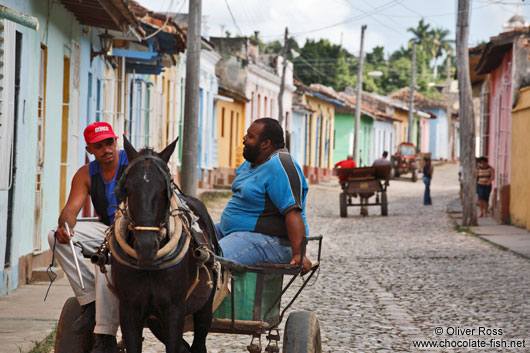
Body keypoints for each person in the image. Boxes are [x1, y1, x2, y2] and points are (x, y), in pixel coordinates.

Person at [47, 122, 127, 352]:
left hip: (136, 231)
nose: (106, 149)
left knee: (105, 262)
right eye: (98, 146)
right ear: (90, 150)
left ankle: (105, 335)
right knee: (55, 237)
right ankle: (91, 302)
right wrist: (65, 226)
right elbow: (71, 210)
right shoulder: (86, 173)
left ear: (115, 141)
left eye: (109, 142)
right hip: (108, 229)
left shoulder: (132, 164)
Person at [215, 118, 312, 274]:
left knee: (212, 260)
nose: (244, 139)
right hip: (232, 232)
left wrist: (300, 255)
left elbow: (293, 212)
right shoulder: (251, 162)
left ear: (265, 143)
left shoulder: (280, 166)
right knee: (190, 244)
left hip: (271, 241)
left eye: (250, 136)